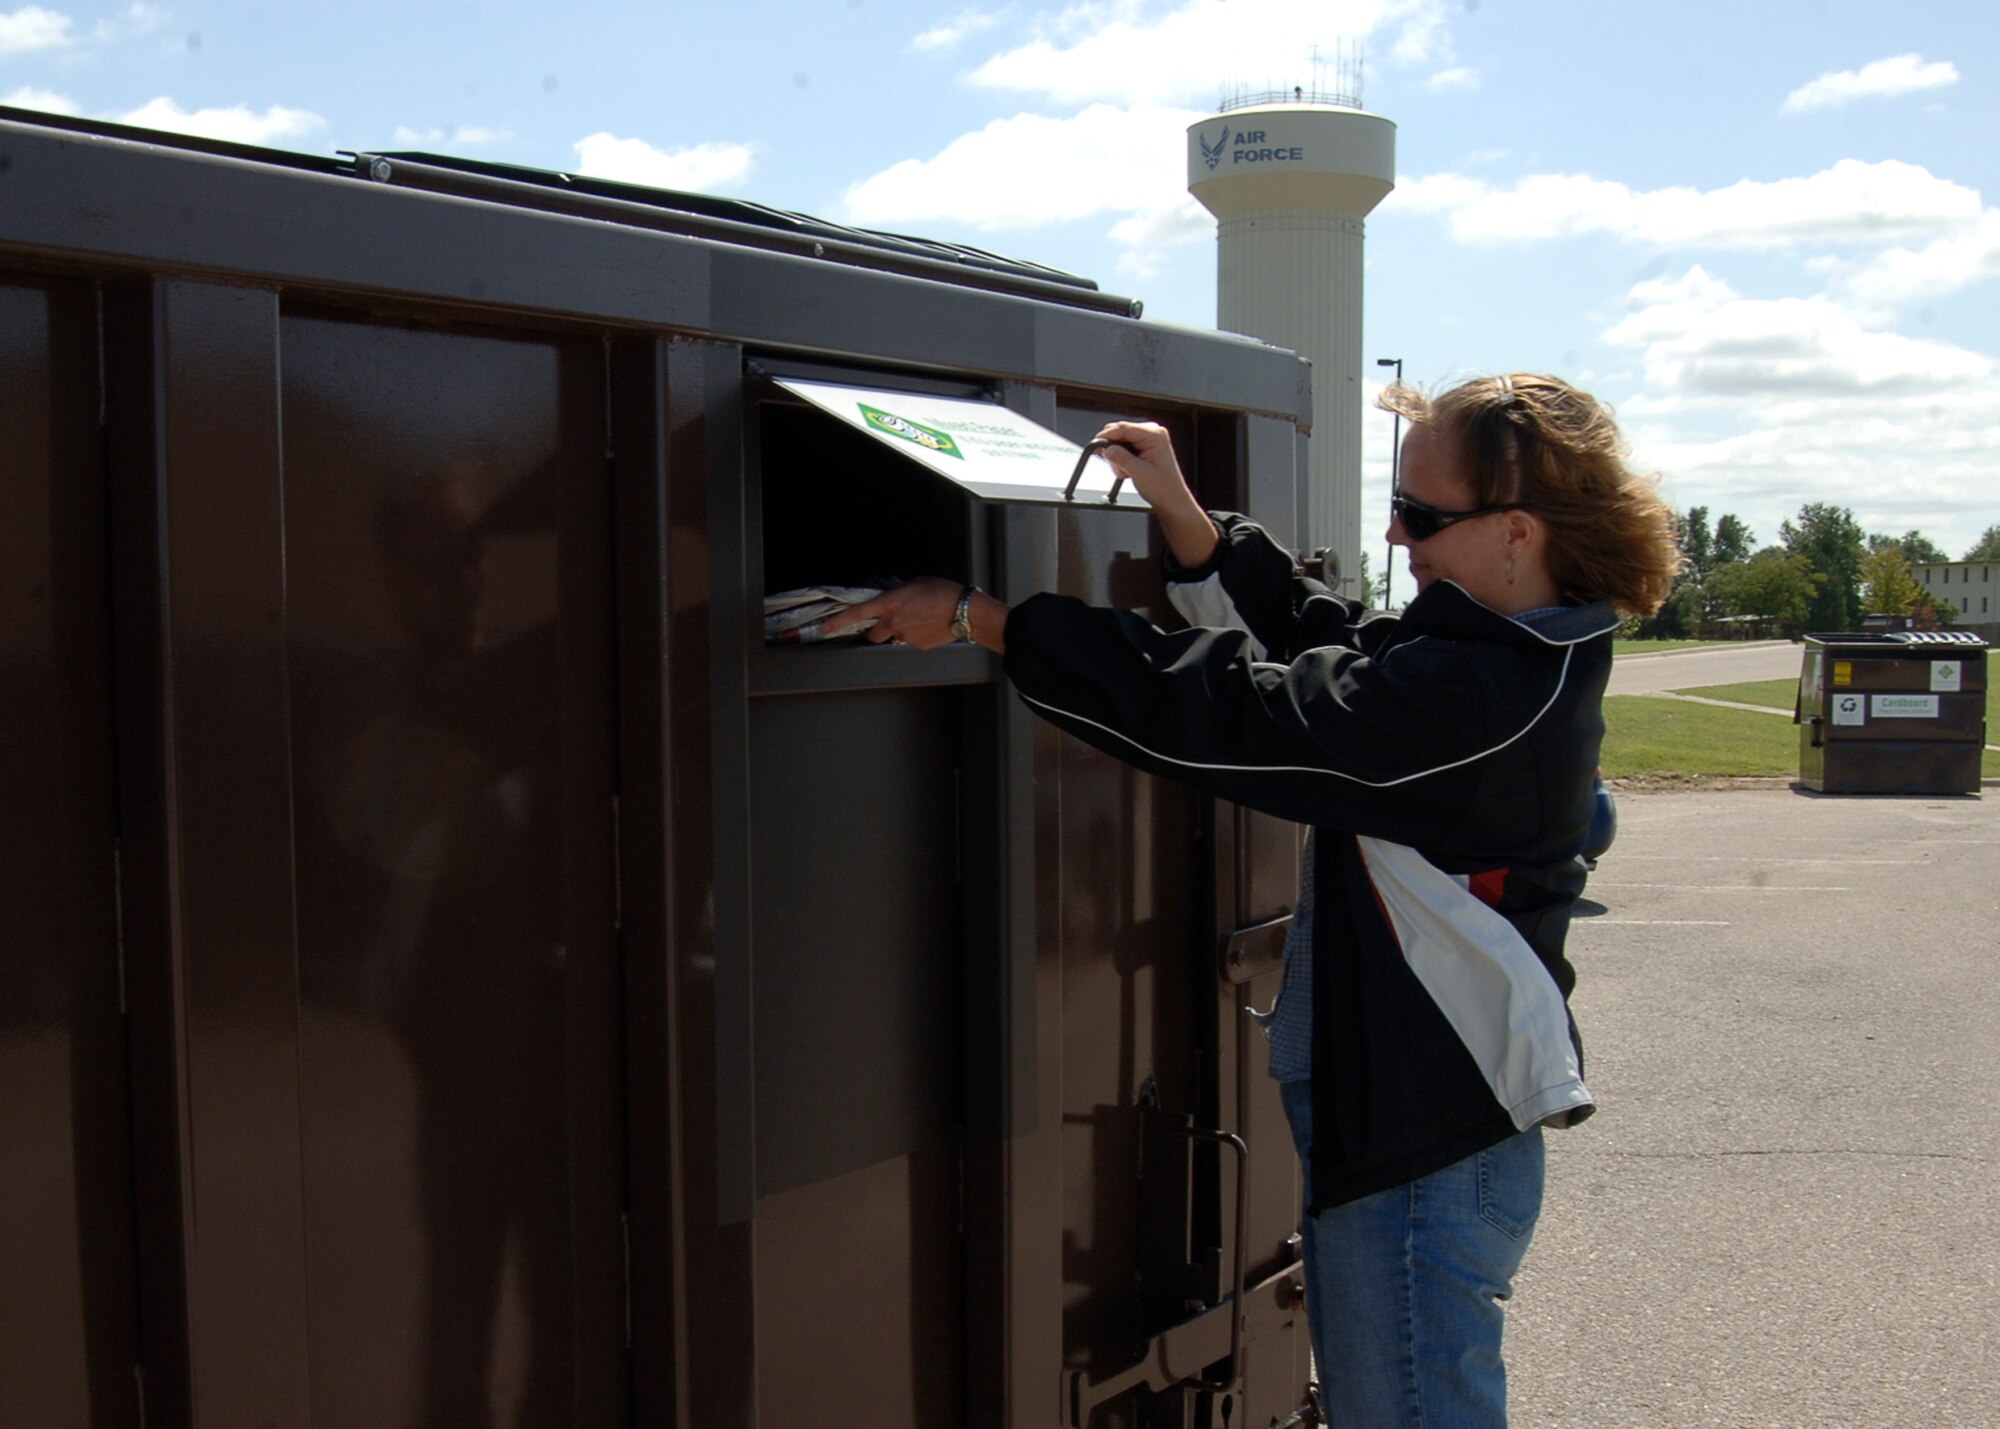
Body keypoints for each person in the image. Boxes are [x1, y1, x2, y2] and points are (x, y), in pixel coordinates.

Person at [827, 373, 1680, 1427]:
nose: (1396, 535)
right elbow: (1338, 640)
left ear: (1513, 532)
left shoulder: (1480, 700)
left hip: (1424, 1153)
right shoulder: (1504, 650)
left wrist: (985, 618)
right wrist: (1194, 527)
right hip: (1423, 1136)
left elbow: (1239, 708)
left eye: (1419, 515)